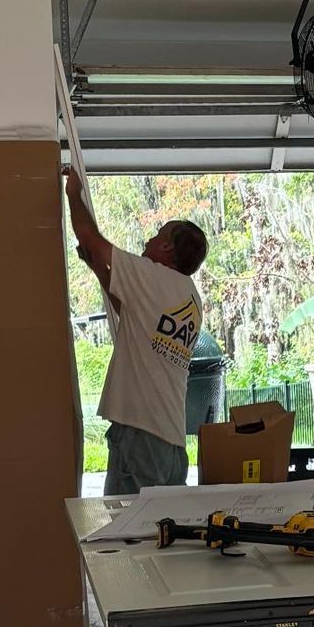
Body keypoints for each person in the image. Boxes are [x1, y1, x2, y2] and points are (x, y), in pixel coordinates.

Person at [64, 172, 209, 494]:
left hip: (141, 436)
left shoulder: (154, 276)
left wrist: (74, 193)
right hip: (170, 441)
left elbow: (88, 235)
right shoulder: (188, 294)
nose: (148, 241)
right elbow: (128, 310)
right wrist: (97, 270)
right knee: (162, 521)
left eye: (156, 235)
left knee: (128, 521)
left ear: (167, 246)